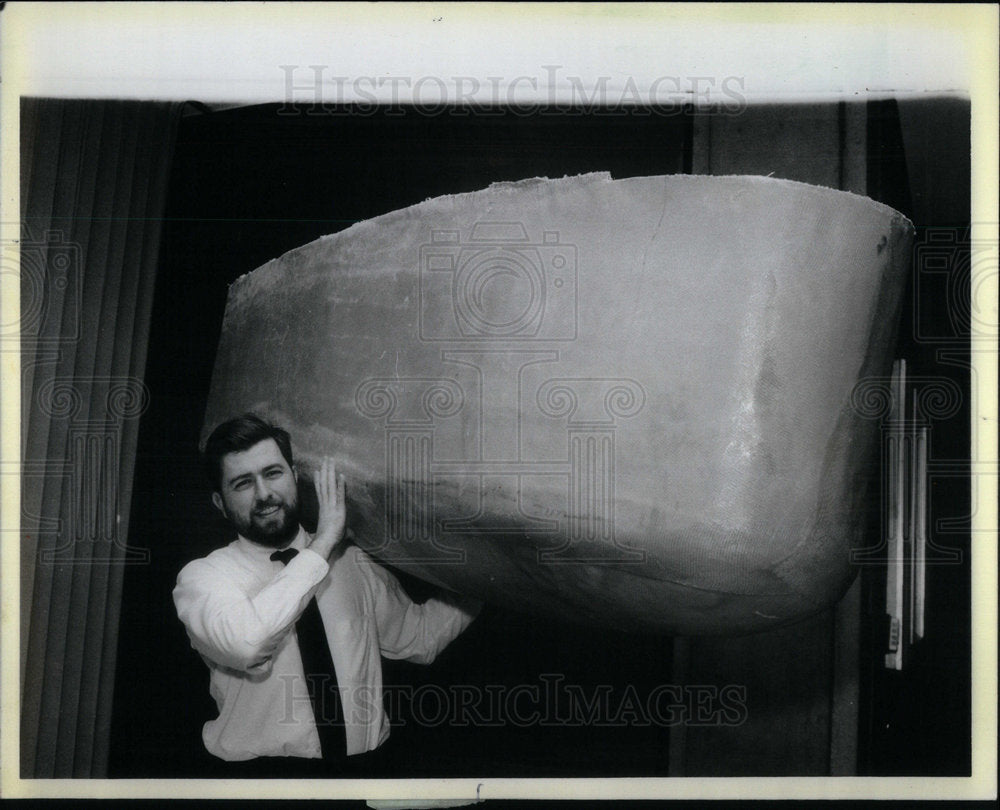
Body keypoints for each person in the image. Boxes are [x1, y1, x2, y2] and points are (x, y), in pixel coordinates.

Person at [173, 413, 481, 777]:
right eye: (242, 483)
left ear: (293, 475)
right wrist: (321, 545)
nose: (264, 494)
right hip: (263, 784)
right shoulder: (204, 578)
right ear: (219, 502)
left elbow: (419, 638)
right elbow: (246, 643)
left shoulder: (351, 563)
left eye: (273, 473)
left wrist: (492, 580)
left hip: (366, 773)